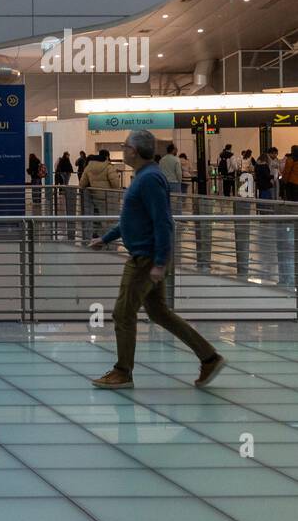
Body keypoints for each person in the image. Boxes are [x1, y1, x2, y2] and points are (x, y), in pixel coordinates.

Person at [89, 129, 225, 390]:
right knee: (159, 312)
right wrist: (106, 238)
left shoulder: (150, 179)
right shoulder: (144, 176)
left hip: (145, 259)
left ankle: (122, 371)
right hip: (146, 256)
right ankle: (209, 357)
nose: (123, 148)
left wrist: (160, 262)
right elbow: (132, 219)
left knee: (123, 313)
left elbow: (163, 222)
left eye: (125, 145)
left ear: (135, 151)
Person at [79, 149, 120, 238]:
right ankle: (107, 239)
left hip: (95, 196)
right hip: (108, 197)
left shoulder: (89, 167)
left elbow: (82, 184)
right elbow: (116, 184)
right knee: (109, 220)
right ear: (106, 157)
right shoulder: (108, 166)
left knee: (97, 217)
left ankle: (97, 236)